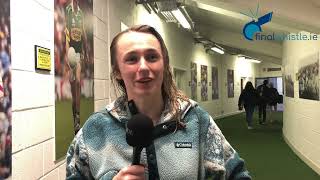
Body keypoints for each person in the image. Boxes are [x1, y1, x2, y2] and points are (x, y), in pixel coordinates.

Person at [66, 25, 251, 179]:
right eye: (131, 59)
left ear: (164, 64)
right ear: (117, 71)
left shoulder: (195, 120)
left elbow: (238, 174)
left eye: (152, 57)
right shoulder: (95, 130)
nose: (144, 67)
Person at [64, 0, 88, 135]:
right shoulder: (68, 10)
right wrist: (68, 54)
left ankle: (77, 118)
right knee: (73, 89)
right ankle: (75, 116)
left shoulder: (81, 13)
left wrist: (86, 50)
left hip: (78, 53)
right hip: (71, 52)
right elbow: (66, 34)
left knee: (78, 82)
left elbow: (83, 31)